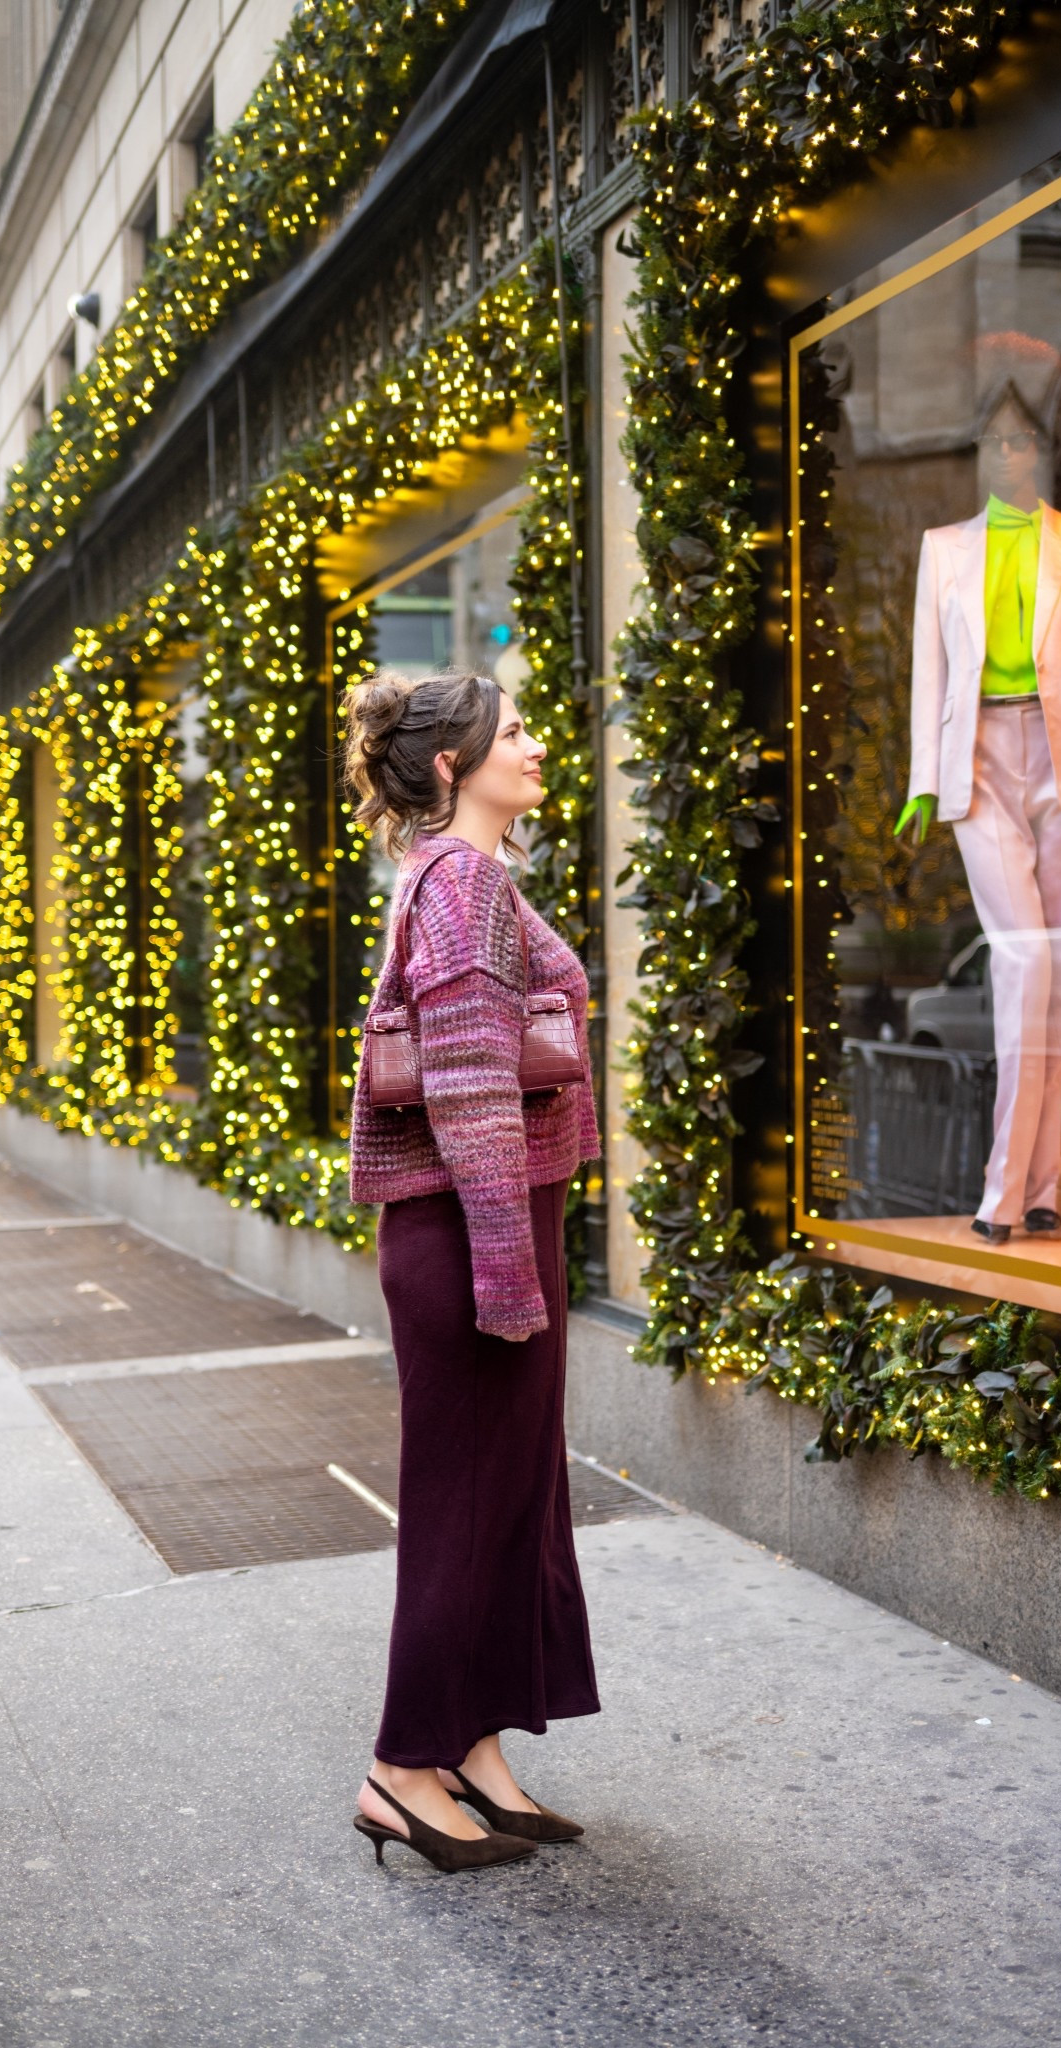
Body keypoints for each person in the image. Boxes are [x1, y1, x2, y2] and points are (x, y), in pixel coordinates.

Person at [343, 667, 602, 1874]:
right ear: (452, 766)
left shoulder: (473, 876)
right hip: (469, 1237)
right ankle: (402, 1767)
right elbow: (467, 1088)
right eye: (513, 733)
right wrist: (508, 1274)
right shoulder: (457, 886)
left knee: (507, 1502)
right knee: (460, 1510)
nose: (536, 744)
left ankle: (472, 1745)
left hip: (489, 1227)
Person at [896, 405, 1061, 1244]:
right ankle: (1003, 1190)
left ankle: (1040, 1187)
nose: (1008, 454)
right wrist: (921, 784)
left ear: (1044, 451)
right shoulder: (944, 548)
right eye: (993, 441)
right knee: (1025, 956)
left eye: (1022, 440)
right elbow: (927, 674)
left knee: (1059, 975)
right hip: (977, 762)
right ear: (976, 454)